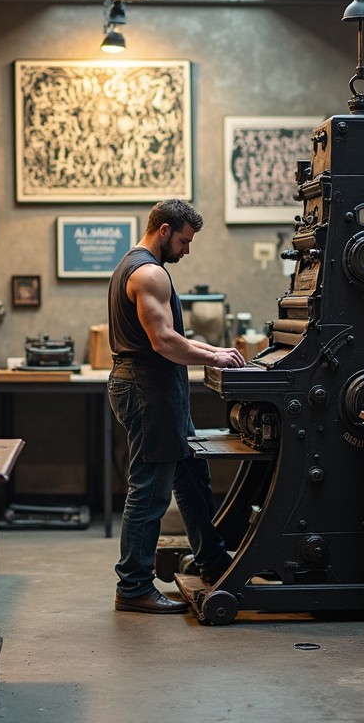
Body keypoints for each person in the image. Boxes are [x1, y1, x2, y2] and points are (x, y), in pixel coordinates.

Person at [107, 199, 246, 614]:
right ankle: (132, 588)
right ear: (164, 230)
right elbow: (163, 341)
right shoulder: (149, 273)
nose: (187, 250)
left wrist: (216, 349)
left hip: (158, 388)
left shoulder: (136, 265)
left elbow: (173, 336)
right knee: (150, 492)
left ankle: (213, 561)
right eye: (185, 241)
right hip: (148, 391)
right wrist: (213, 358)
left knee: (191, 476)